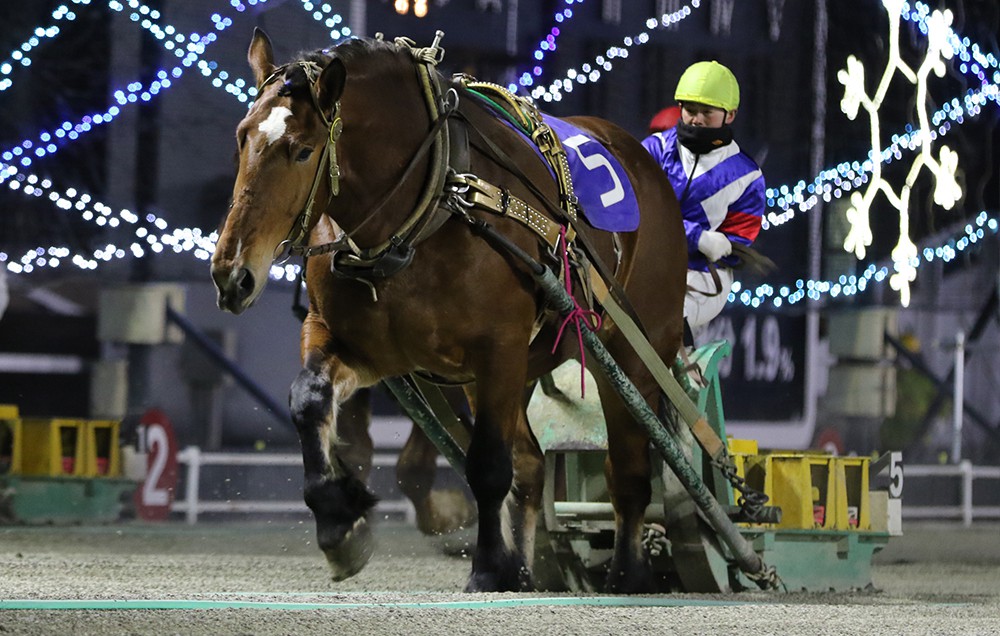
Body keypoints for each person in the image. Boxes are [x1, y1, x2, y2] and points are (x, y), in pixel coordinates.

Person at [642, 60, 765, 338]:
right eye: (690, 110)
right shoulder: (654, 150)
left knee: (661, 312)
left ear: (730, 115)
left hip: (701, 277)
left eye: (706, 112)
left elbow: (733, 249)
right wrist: (696, 237)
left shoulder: (748, 176)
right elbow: (635, 212)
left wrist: (694, 247)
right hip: (641, 261)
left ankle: (683, 373)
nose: (696, 119)